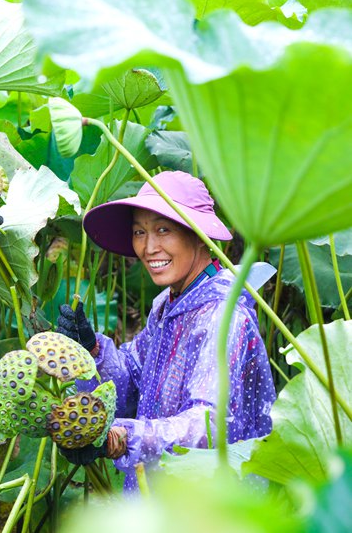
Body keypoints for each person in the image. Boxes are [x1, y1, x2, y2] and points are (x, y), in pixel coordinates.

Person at [55, 171, 275, 491]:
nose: (149, 247)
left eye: (163, 230)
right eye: (139, 232)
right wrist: (92, 351)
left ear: (199, 235)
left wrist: (122, 436)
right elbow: (130, 383)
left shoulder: (223, 317)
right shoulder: (168, 305)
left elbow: (208, 426)